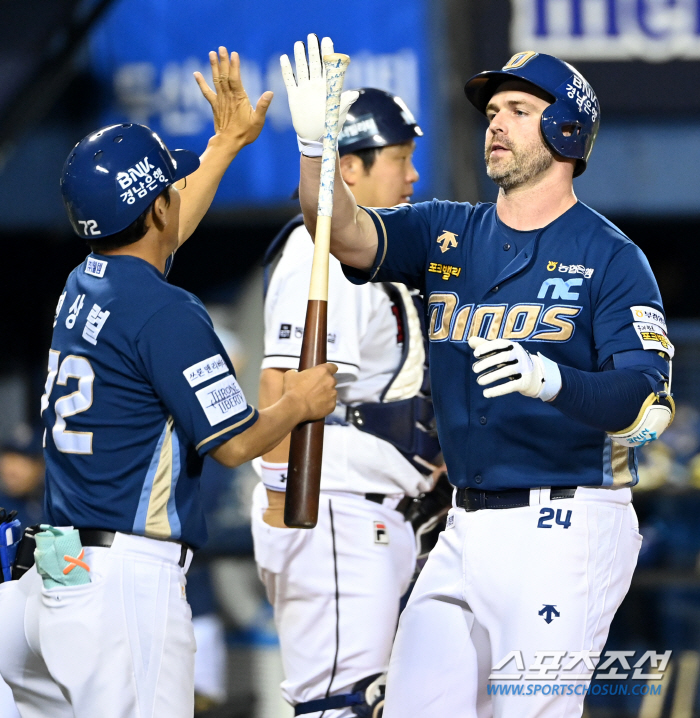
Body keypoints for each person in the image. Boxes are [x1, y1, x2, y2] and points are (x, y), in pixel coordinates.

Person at [285, 42, 675, 718]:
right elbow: (343, 236)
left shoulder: (612, 257)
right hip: (465, 525)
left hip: (568, 520)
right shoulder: (449, 230)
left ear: (566, 130)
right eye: (493, 110)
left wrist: (554, 379)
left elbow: (649, 402)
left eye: (519, 110)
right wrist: (314, 150)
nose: (495, 123)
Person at [0, 47, 337, 718]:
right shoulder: (166, 310)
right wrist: (300, 402)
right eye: (170, 191)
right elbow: (236, 445)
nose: (178, 198)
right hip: (123, 591)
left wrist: (226, 144)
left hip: (47, 580)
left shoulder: (84, 280)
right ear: (155, 209)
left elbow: (161, 230)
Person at [253, 71, 441, 717]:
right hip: (327, 509)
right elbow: (281, 388)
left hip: (371, 513)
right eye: (399, 158)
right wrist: (286, 518)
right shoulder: (319, 248)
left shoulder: (372, 255)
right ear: (350, 168)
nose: (413, 175)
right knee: (341, 702)